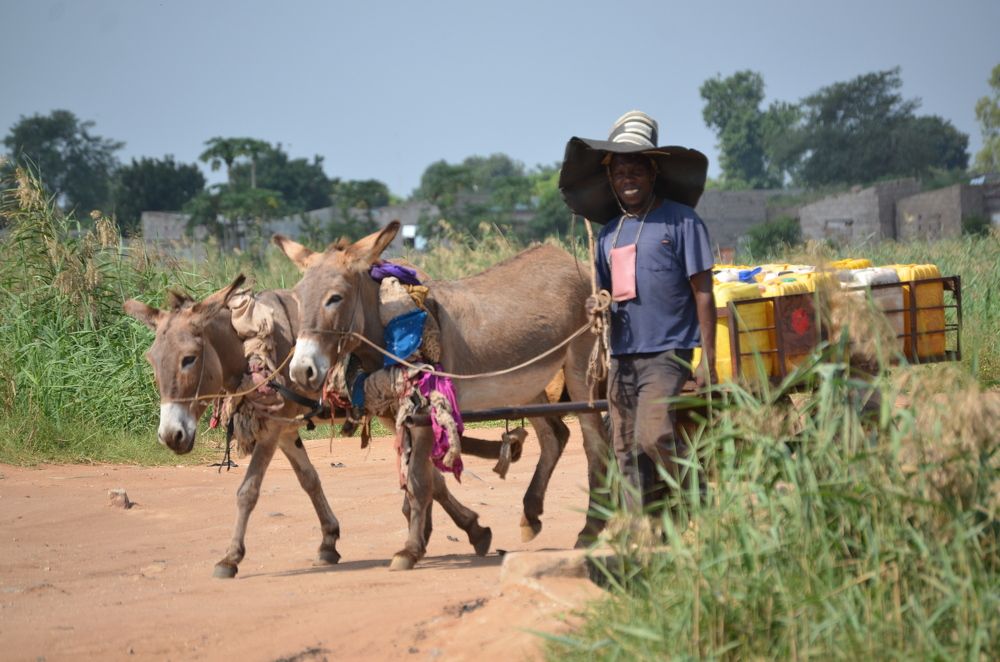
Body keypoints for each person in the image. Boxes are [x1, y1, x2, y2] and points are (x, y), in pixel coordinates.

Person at [558, 110, 717, 514]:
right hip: (623, 357)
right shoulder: (609, 234)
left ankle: (702, 504)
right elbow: (605, 292)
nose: (627, 178)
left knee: (654, 435)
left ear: (652, 173)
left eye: (635, 170)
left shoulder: (682, 222)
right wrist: (595, 304)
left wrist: (708, 360)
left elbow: (703, 293)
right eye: (620, 172)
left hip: (668, 353)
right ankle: (642, 529)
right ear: (611, 179)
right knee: (625, 448)